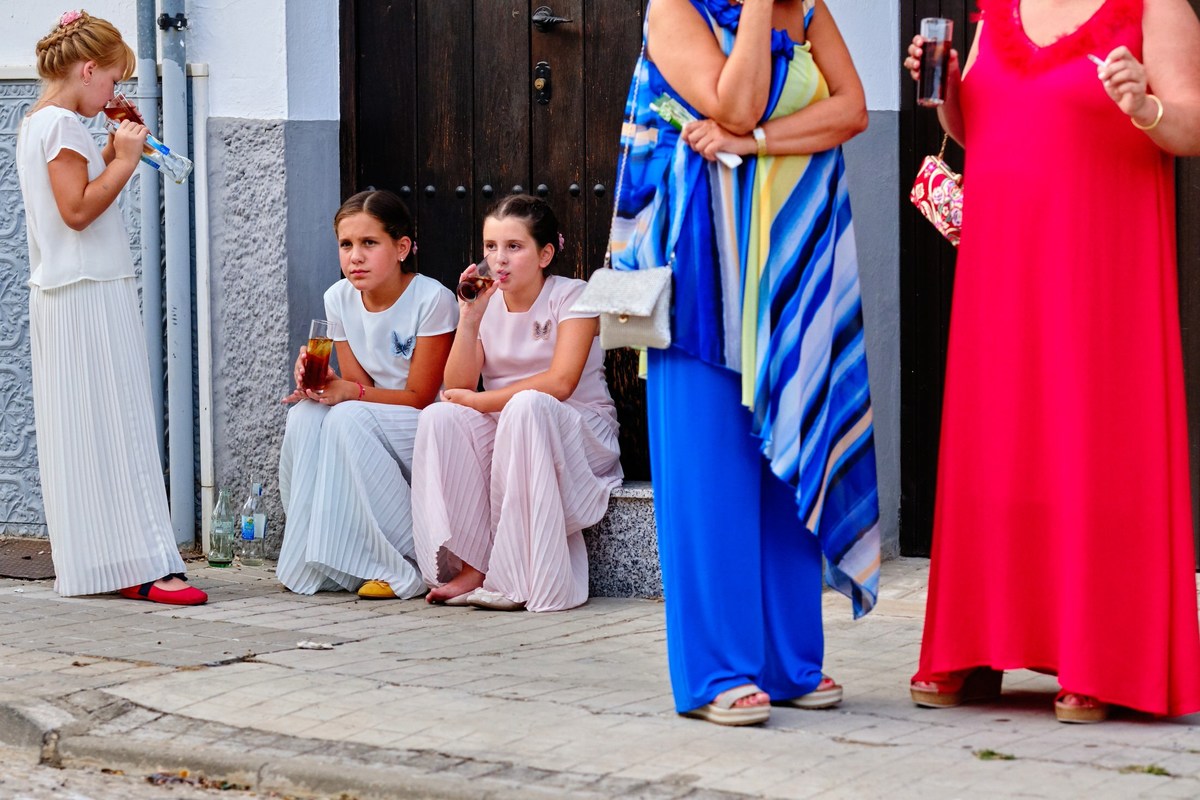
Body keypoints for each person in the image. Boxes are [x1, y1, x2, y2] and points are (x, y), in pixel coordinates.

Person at [903, 0, 1200, 722]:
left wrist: (1147, 106)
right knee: (997, 445)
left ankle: (1102, 658)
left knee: (1095, 444)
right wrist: (945, 93)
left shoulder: (1156, 6)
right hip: (1002, 263)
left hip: (1103, 264)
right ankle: (974, 647)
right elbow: (979, 129)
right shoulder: (998, 9)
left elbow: (1192, 126)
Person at [610, 0, 880, 726]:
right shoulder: (676, 9)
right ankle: (716, 672)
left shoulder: (809, 9)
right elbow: (732, 100)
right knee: (711, 473)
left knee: (788, 466)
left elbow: (851, 110)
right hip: (704, 273)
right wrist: (759, 11)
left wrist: (755, 143)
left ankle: (790, 663)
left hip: (794, 280)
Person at [15, 11, 205, 605]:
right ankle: (146, 566)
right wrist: (123, 160)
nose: (114, 92)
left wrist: (115, 148)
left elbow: (70, 196)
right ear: (88, 69)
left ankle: (107, 562)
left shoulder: (40, 122)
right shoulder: (62, 124)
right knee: (118, 421)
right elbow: (76, 211)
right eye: (113, 80)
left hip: (66, 288)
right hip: (89, 289)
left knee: (88, 426)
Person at [410, 195, 622, 613]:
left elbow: (561, 382)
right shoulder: (486, 302)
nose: (499, 259)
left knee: (527, 407)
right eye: (491, 247)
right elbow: (457, 386)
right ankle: (473, 567)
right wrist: (469, 318)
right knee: (439, 417)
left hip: (577, 430)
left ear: (545, 255)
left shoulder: (573, 296)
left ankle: (518, 576)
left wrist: (482, 400)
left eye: (514, 246)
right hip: (510, 425)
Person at [277, 189, 457, 600]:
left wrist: (349, 392)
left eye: (369, 243)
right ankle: (316, 561)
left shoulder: (433, 299)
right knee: (305, 416)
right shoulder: (338, 298)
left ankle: (405, 564)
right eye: (346, 245)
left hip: (425, 425)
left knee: (347, 416)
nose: (355, 257)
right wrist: (323, 387)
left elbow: (420, 397)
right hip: (371, 418)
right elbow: (358, 388)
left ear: (402, 248)